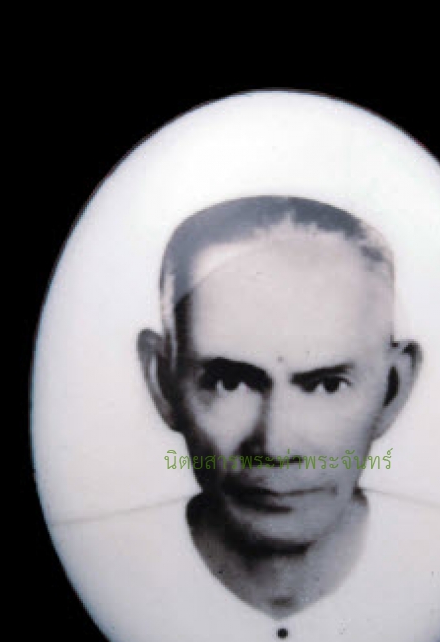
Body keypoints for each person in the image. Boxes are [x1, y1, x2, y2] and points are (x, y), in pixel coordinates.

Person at [136, 196, 422, 620]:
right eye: (230, 382)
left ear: (392, 389)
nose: (275, 446)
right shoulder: (108, 564)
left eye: (326, 386)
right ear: (162, 381)